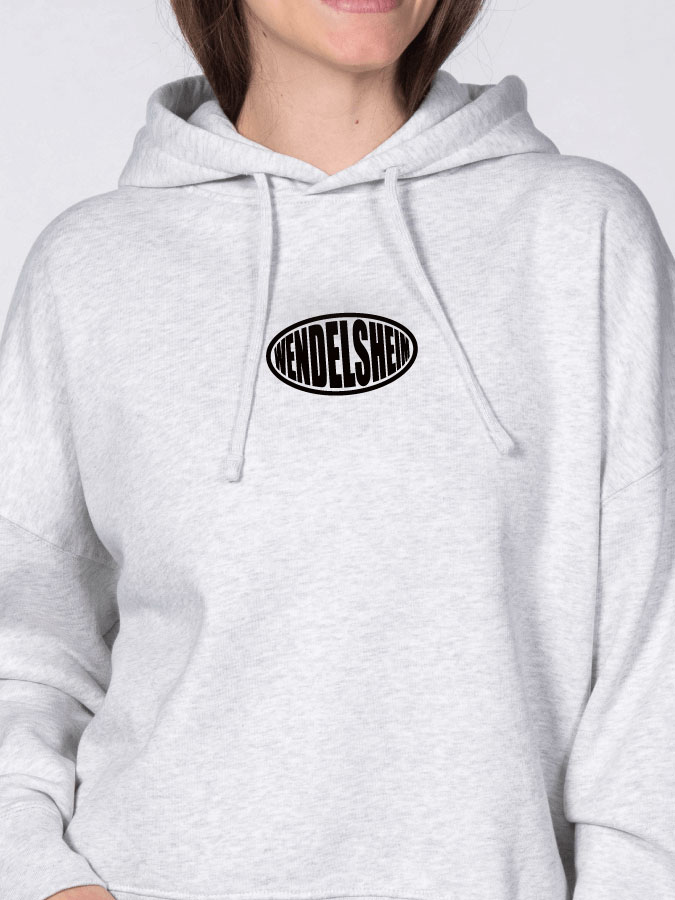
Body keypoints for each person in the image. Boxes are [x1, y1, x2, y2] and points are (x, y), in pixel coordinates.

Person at [1, 1, 674, 899]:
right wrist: (40, 876)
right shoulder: (90, 267)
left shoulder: (579, 233)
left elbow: (655, 655)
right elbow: (25, 646)